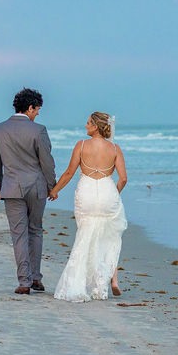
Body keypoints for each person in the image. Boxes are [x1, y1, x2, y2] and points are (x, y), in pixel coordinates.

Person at [50, 111, 128, 302]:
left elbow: (69, 172)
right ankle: (111, 280)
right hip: (108, 192)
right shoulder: (115, 148)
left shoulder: (81, 145)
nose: (85, 126)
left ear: (95, 126)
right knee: (110, 236)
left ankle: (79, 283)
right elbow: (123, 178)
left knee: (85, 235)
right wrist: (114, 193)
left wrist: (55, 190)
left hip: (86, 193)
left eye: (88, 123)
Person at [0, 88, 57, 295]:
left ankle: (24, 281)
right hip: (37, 188)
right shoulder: (39, 130)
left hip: (11, 188)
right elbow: (47, 162)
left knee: (18, 235)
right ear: (29, 108)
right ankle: (36, 277)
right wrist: (53, 186)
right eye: (37, 110)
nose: (37, 114)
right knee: (35, 230)